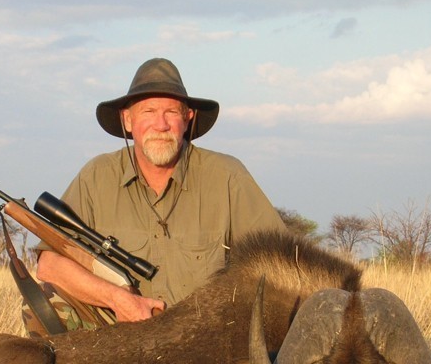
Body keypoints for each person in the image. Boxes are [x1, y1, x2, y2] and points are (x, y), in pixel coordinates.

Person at [33, 58, 285, 329]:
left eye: (171, 113)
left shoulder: (227, 175)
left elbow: (284, 261)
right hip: (122, 330)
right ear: (127, 120)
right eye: (149, 112)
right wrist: (117, 299)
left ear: (188, 119)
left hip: (206, 337)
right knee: (42, 301)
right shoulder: (96, 176)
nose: (161, 125)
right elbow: (49, 264)